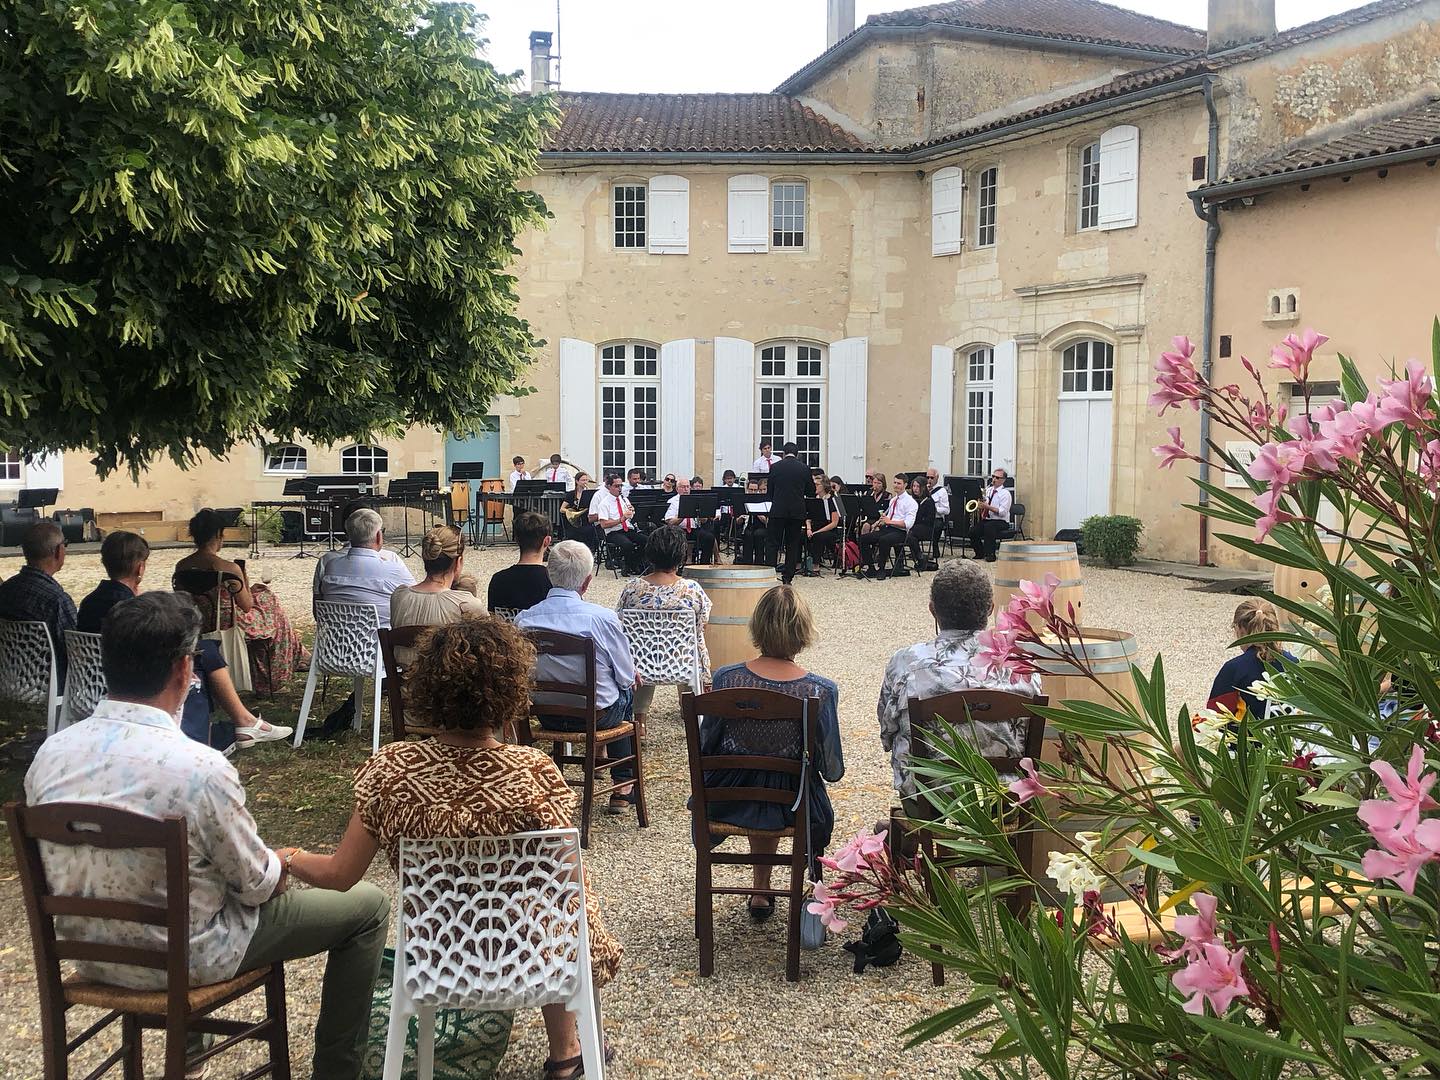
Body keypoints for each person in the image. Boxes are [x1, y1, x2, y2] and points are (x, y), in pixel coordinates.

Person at [25, 592, 388, 1079]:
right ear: (183, 670)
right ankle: (338, 1072)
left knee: (194, 891)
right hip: (186, 958)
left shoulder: (50, 755)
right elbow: (257, 884)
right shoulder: (199, 768)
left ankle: (190, 1060)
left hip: (88, 953)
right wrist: (283, 861)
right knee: (367, 907)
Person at [280, 617, 621, 1080]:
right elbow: (569, 881)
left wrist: (289, 857)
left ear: (428, 689)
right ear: (510, 691)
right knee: (564, 909)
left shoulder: (391, 772)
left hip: (438, 957)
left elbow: (341, 875)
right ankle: (568, 1056)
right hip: (524, 956)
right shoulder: (533, 773)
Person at [78, 530, 291, 748]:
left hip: (90, 683)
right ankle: (244, 721)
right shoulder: (131, 609)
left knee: (205, 649)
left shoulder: (89, 602)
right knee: (206, 651)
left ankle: (244, 721)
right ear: (140, 567)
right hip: (138, 681)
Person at [707, 586, 844, 920]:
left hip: (731, 796)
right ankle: (800, 891)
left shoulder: (727, 679)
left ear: (758, 626)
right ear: (803, 630)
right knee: (785, 787)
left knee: (763, 785)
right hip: (792, 803)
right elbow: (832, 768)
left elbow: (706, 746)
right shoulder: (819, 690)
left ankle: (760, 890)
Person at [877, 560, 1042, 815]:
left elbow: (888, 732)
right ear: (990, 608)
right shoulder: (1021, 663)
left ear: (933, 610)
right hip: (1003, 800)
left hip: (929, 800)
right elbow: (1029, 735)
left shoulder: (906, 663)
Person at [516, 541, 640, 813]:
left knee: (617, 689)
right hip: (596, 715)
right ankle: (622, 784)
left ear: (550, 575)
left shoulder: (525, 620)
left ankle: (596, 762)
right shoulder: (602, 619)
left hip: (545, 713)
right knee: (627, 692)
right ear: (587, 581)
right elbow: (625, 676)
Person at [175, 508, 308, 687]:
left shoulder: (182, 566)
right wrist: (243, 579)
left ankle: (299, 654)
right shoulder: (228, 568)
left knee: (265, 598)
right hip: (229, 623)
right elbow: (246, 605)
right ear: (218, 535)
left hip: (198, 621)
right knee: (272, 607)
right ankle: (278, 671)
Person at [314, 508, 416, 738]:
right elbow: (416, 598)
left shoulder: (331, 567)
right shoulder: (393, 569)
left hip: (336, 651)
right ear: (379, 537)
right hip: (378, 654)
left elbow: (318, 611)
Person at [618, 526, 712, 731]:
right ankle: (688, 710)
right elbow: (701, 626)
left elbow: (621, 622)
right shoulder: (692, 590)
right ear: (681, 555)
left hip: (643, 660)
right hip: (681, 661)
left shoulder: (633, 588)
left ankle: (639, 720)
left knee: (641, 646)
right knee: (692, 644)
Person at [391, 524, 486, 665]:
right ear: (459, 562)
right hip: (448, 685)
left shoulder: (399, 596)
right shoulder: (466, 604)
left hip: (405, 683)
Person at [0, 521, 78, 685]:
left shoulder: (5, 590)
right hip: (48, 686)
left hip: (9, 681)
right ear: (59, 551)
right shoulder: (57, 601)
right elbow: (75, 652)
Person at [1208, 598, 1295, 720]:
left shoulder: (1234, 669)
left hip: (1246, 738)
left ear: (1240, 629)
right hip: (1293, 737)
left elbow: (1214, 714)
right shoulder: (1295, 664)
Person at [487, 511, 554, 614]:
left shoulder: (498, 580)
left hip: (506, 629)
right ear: (547, 541)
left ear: (517, 539)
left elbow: (494, 620)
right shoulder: (551, 581)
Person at [765, 442, 810, 585]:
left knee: (773, 543)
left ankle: (770, 573)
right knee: (792, 544)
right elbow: (810, 491)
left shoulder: (775, 467)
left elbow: (770, 491)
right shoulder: (804, 468)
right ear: (797, 454)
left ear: (783, 453)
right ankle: (787, 577)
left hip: (778, 510)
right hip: (797, 511)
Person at [858, 475, 916, 578]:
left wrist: (890, 521)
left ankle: (881, 569)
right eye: (895, 483)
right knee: (864, 538)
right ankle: (871, 567)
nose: (896, 485)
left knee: (884, 540)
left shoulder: (911, 502)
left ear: (905, 485)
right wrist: (880, 521)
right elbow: (888, 516)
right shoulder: (893, 500)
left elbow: (908, 524)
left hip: (900, 532)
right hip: (888, 528)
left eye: (899, 483)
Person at [590, 473, 643, 574]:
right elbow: (603, 524)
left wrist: (632, 512)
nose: (619, 489)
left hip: (627, 529)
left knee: (647, 541)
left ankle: (633, 563)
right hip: (613, 532)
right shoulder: (604, 503)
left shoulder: (624, 499)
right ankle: (626, 565)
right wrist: (621, 519)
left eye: (621, 486)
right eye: (616, 486)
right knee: (628, 545)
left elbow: (630, 517)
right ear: (609, 487)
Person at [665, 477, 716, 564]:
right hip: (679, 530)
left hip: (694, 528)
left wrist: (701, 515)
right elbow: (669, 522)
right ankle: (680, 564)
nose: (686, 489)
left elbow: (704, 521)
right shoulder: (672, 501)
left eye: (688, 487)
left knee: (709, 538)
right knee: (678, 538)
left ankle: (704, 564)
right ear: (677, 489)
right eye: (683, 487)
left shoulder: (696, 499)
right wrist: (683, 514)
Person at [971, 467, 1013, 562]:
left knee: (989, 527)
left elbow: (1002, 512)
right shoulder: (989, 490)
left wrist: (987, 507)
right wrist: (981, 506)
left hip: (1001, 521)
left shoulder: (1005, 494)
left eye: (997, 478)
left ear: (1003, 480)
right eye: (993, 477)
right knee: (973, 531)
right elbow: (985, 503)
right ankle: (979, 553)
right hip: (988, 519)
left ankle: (990, 554)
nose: (994, 479)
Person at [804, 472, 841, 575]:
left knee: (818, 537)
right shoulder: (813, 499)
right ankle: (798, 563)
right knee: (797, 535)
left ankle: (815, 566)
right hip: (813, 528)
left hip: (828, 530)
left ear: (824, 486)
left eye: (817, 484)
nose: (814, 486)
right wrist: (809, 529)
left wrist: (817, 532)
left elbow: (834, 523)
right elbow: (808, 518)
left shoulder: (832, 500)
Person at [906, 475, 940, 571]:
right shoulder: (911, 501)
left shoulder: (929, 501)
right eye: (914, 486)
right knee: (908, 534)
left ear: (923, 488)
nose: (915, 489)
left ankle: (920, 558)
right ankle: (918, 559)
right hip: (914, 527)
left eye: (918, 486)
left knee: (911, 533)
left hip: (926, 528)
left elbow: (929, 520)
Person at [562, 472, 601, 551]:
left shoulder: (589, 494)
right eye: (583, 480)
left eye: (586, 480)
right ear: (577, 481)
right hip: (574, 522)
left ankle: (590, 550)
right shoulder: (571, 494)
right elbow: (562, 509)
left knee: (594, 530)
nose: (585, 482)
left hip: (586, 519)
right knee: (583, 531)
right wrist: (571, 512)